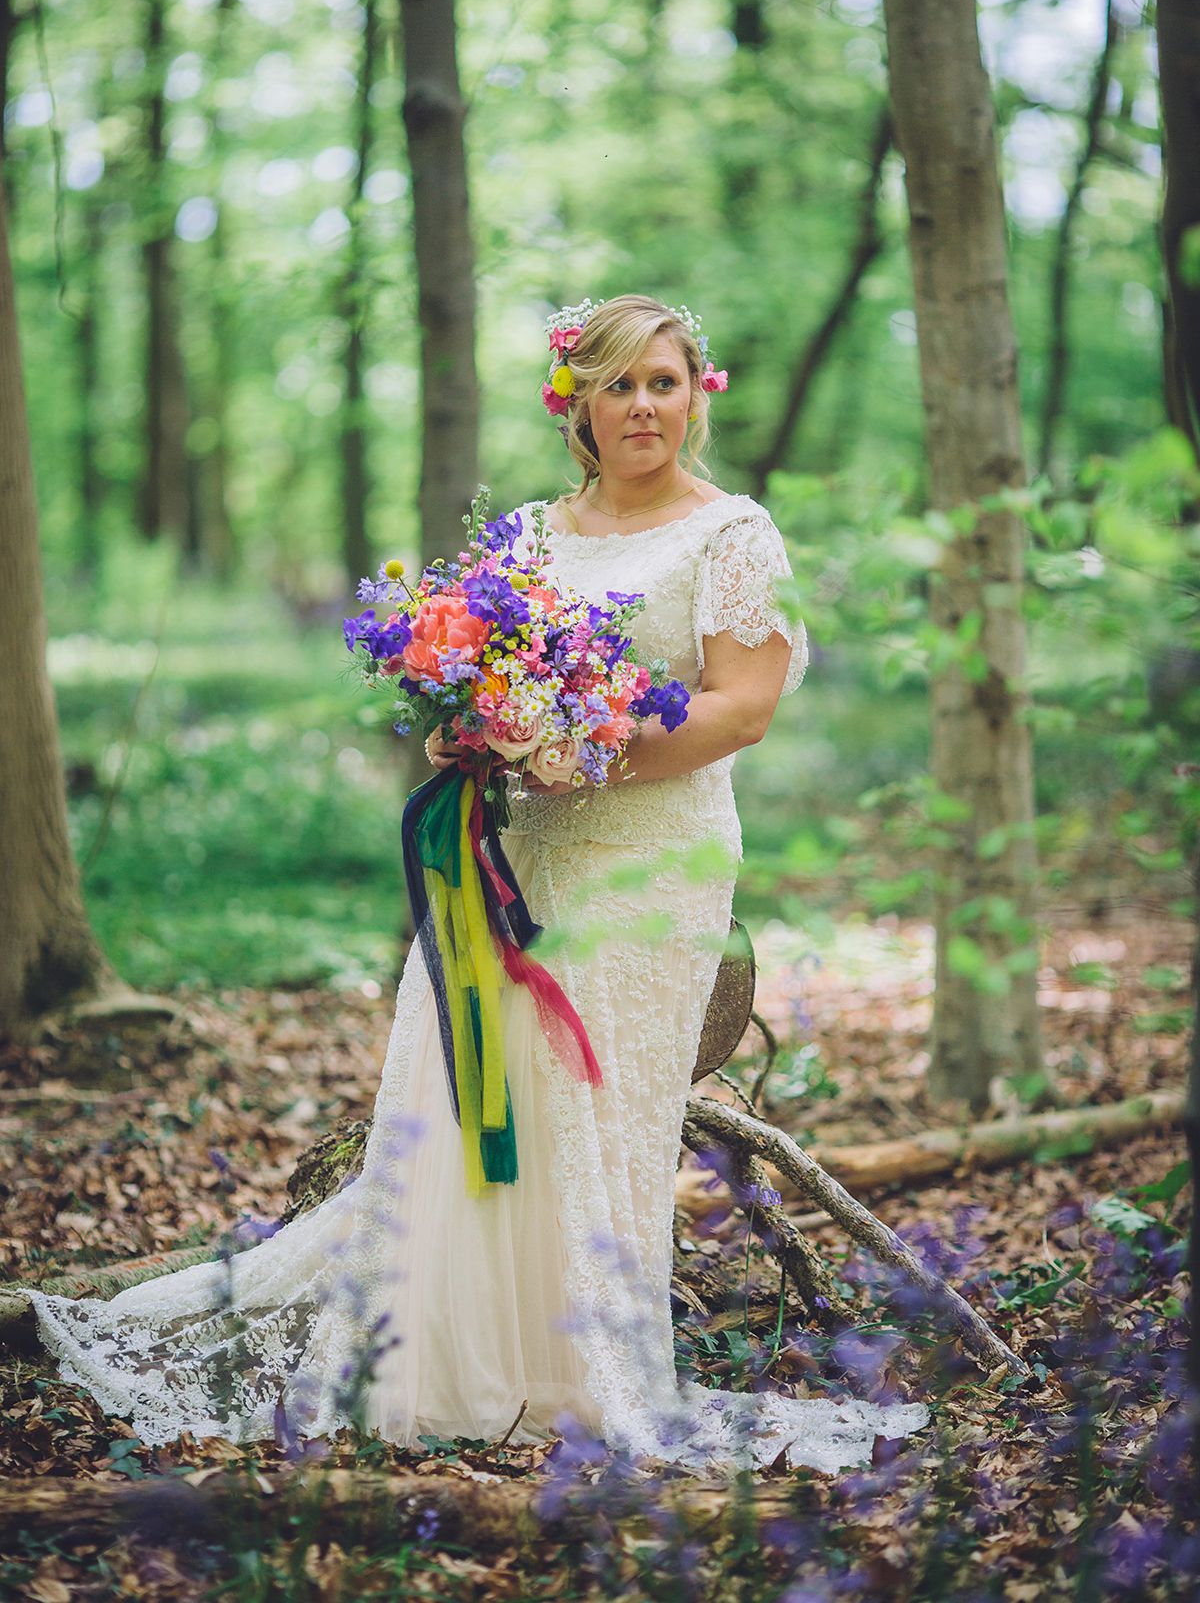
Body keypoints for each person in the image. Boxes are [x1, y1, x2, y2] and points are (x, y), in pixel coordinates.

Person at [24, 295, 923, 1472]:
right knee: (465, 1079)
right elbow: (469, 680)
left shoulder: (734, 536)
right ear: (578, 404)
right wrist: (478, 734)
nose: (641, 405)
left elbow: (742, 709)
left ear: (696, 392)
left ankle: (586, 1372)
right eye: (616, 385)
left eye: (662, 381)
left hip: (653, 859)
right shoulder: (530, 539)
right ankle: (449, 1363)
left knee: (595, 1104)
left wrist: (576, 746)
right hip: (515, 850)